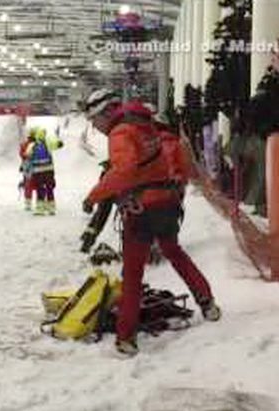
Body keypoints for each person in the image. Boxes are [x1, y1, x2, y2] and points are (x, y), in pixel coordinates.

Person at [82, 88, 222, 356]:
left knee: (133, 274)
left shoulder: (121, 132)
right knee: (175, 253)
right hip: (166, 205)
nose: (96, 127)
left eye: (95, 121)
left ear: (106, 112)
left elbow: (124, 171)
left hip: (142, 210)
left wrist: (93, 196)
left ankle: (125, 338)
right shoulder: (147, 128)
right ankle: (207, 302)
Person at [25, 128, 63, 215]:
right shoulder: (48, 143)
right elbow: (59, 145)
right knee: (50, 188)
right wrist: (59, 142)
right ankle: (51, 208)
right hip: (49, 170)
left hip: (37, 171)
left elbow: (27, 154)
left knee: (40, 189)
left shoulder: (32, 145)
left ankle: (40, 209)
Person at [19, 128, 38, 211]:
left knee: (28, 185)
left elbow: (21, 154)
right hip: (37, 167)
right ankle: (39, 202)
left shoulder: (24, 144)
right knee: (38, 185)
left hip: (27, 168)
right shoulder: (38, 145)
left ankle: (28, 203)